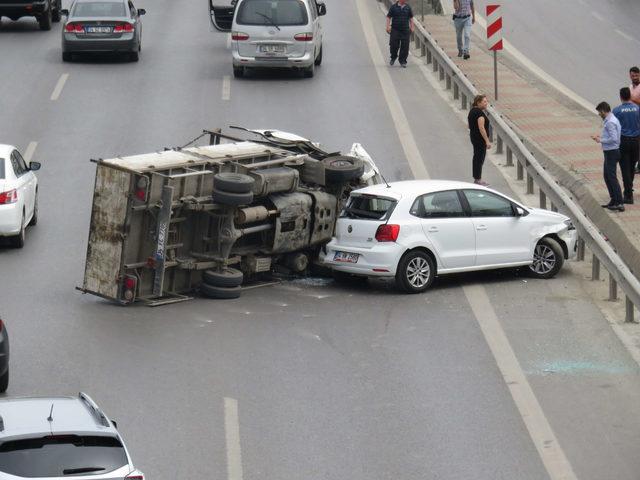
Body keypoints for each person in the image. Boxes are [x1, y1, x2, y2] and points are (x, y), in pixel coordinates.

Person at [592, 102, 624, 212]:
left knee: (611, 177)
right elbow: (611, 136)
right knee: (607, 176)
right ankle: (614, 199)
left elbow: (614, 139)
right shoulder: (612, 119)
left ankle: (619, 202)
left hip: (611, 152)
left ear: (603, 111)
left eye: (599, 112)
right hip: (610, 151)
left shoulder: (610, 122)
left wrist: (600, 140)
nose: (599, 114)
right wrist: (602, 137)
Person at [613, 87, 640, 204]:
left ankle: (628, 195)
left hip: (623, 141)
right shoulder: (637, 109)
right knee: (632, 167)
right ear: (630, 96)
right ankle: (629, 190)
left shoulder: (617, 111)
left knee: (625, 168)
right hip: (636, 141)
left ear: (620, 97)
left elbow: (613, 128)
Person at [468, 94, 491, 185]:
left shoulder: (472, 111)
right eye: (484, 102)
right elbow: (482, 128)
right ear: (478, 102)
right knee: (479, 158)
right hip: (480, 140)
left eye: (486, 101)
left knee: (476, 158)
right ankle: (478, 179)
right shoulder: (479, 114)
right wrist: (487, 141)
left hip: (474, 137)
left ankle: (476, 178)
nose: (486, 103)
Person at [386, 0, 414, 68]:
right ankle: (393, 57)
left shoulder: (408, 8)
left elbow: (411, 18)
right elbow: (388, 17)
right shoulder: (393, 7)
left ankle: (403, 61)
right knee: (393, 45)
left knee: (405, 46)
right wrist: (387, 26)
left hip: (405, 30)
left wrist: (412, 27)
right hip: (395, 30)